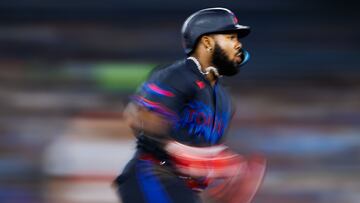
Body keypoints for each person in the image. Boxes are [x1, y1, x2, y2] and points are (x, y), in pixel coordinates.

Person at [114, 7, 266, 203]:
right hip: (153, 175)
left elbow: (203, 157)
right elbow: (138, 114)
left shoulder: (224, 100)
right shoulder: (177, 75)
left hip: (184, 189)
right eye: (231, 37)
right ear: (207, 42)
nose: (238, 45)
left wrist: (228, 167)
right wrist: (179, 152)